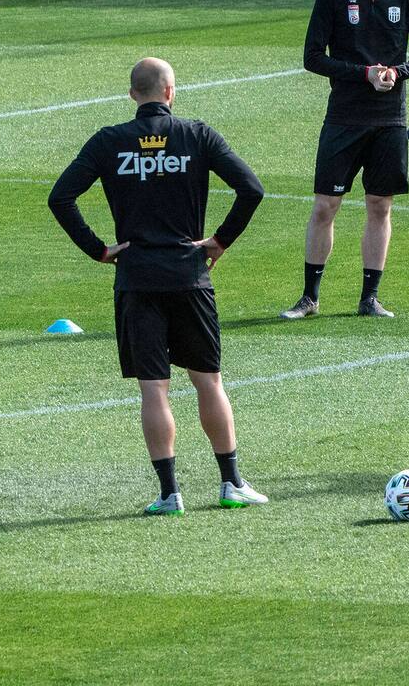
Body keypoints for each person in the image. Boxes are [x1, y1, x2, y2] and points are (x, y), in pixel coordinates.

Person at [48, 58, 267, 515]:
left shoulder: (110, 141)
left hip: (137, 279)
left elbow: (61, 197)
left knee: (154, 390)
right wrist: (219, 242)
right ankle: (231, 484)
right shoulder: (197, 134)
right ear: (171, 92)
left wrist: (99, 250)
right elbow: (251, 189)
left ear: (133, 95)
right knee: (209, 383)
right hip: (190, 275)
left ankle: (170, 494)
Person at [280, 0, 409, 321]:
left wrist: (396, 73)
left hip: (389, 121)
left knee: (379, 205)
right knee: (324, 206)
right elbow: (312, 57)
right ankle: (309, 297)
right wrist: (364, 73)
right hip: (344, 118)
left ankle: (369, 298)